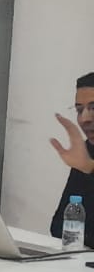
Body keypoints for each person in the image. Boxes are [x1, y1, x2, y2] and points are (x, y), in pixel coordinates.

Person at [49, 72, 94, 238]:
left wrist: (90, 168)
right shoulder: (87, 151)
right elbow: (58, 226)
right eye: (79, 110)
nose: (84, 119)